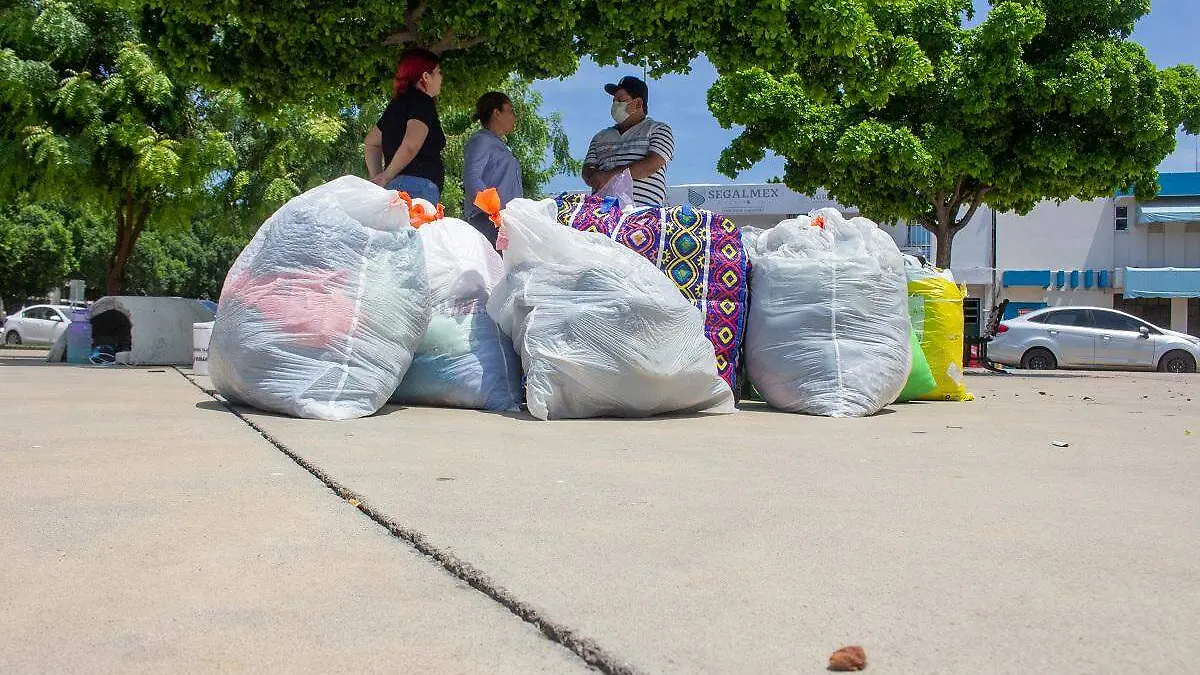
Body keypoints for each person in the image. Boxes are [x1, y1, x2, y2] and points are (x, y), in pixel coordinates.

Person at [364, 48, 446, 204]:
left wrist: (379, 177)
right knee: (416, 228)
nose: (441, 78)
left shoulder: (396, 105)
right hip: (418, 188)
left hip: (394, 188)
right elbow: (411, 144)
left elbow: (371, 142)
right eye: (439, 72)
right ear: (426, 76)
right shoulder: (423, 101)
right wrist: (385, 176)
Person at [581, 75, 674, 207]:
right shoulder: (600, 137)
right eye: (614, 101)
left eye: (620, 100)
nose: (615, 105)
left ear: (638, 103)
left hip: (642, 213)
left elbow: (652, 164)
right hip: (601, 213)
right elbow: (587, 170)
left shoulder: (658, 129)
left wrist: (610, 175)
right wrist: (593, 177)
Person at [463, 92, 522, 247]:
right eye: (510, 111)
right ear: (496, 113)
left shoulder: (500, 145)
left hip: (504, 221)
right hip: (488, 221)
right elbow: (472, 178)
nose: (514, 117)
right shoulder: (481, 140)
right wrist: (494, 212)